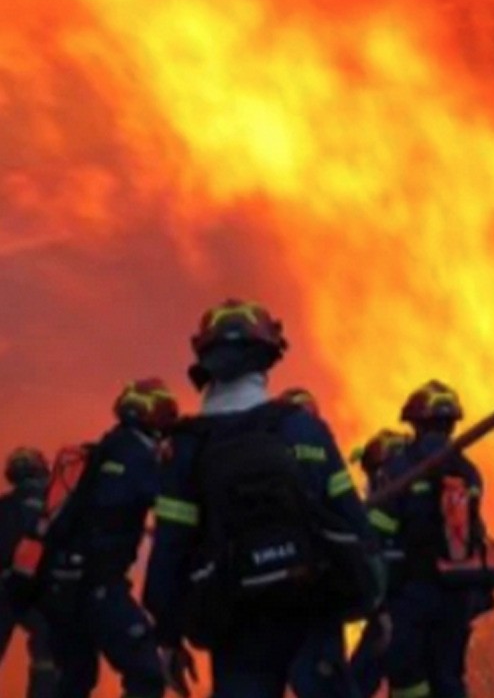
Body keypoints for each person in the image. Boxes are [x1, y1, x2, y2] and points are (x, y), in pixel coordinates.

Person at [144, 299, 383, 698]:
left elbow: (169, 551)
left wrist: (168, 637)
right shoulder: (303, 428)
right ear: (267, 358)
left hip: (235, 621)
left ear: (206, 362)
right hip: (312, 606)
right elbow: (354, 524)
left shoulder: (187, 447)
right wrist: (378, 605)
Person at [41, 380, 177, 698]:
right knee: (146, 673)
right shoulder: (135, 454)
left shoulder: (106, 448)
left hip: (61, 584)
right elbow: (160, 505)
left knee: (75, 679)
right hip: (97, 584)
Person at [370, 381, 494, 698]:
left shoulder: (398, 468)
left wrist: (376, 594)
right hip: (457, 592)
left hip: (411, 592)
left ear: (415, 423)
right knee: (448, 675)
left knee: (407, 677)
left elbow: (377, 535)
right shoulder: (468, 470)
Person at [349, 429, 409, 698]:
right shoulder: (421, 501)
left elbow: (378, 558)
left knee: (356, 683)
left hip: (394, 612)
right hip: (412, 609)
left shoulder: (387, 509)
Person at [0, 447, 56, 697]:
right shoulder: (55, 508)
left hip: (4, 590)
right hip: (38, 594)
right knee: (47, 650)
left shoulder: (4, 506)